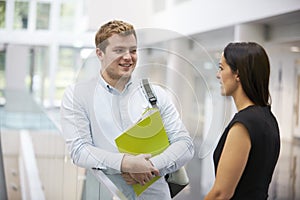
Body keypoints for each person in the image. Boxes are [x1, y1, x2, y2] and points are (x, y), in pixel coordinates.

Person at [60, 20, 194, 200]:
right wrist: (125, 163)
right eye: (119, 50)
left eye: (133, 50)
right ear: (100, 53)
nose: (128, 57)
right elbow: (79, 150)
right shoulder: (79, 95)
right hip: (106, 195)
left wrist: (151, 166)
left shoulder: (154, 94)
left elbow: (184, 144)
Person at [204, 42, 281, 200]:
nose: (218, 75)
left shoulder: (244, 124)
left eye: (221, 68)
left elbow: (221, 194)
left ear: (237, 74)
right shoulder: (267, 117)